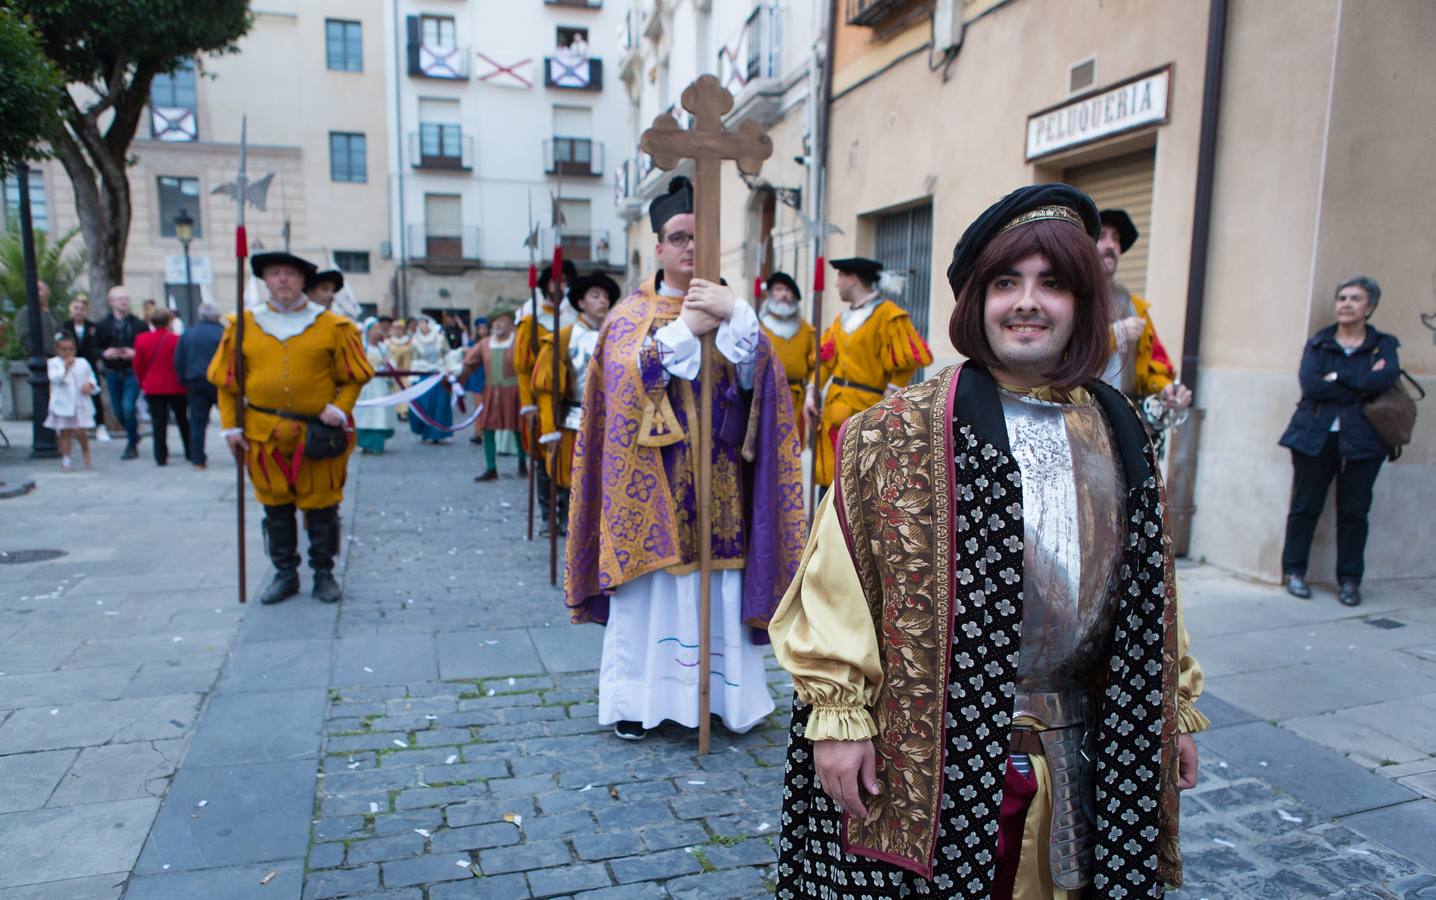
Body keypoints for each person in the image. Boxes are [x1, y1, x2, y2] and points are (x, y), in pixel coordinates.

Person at [771, 184, 1208, 899]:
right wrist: (839, 715)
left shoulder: (1121, 427)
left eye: (1053, 284)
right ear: (978, 300)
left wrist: (1172, 708)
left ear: (1083, 302)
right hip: (935, 754)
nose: (1027, 302)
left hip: (1084, 751)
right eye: (1007, 283)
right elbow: (834, 584)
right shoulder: (898, 430)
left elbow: (1153, 588)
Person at [564, 175, 806, 741]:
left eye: (700, 237)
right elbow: (621, 386)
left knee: (716, 592)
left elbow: (762, 388)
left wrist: (737, 318)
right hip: (651, 487)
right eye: (678, 237)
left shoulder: (735, 308)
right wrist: (683, 333)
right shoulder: (628, 314)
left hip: (722, 484)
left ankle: (723, 700)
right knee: (651, 596)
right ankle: (637, 701)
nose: (690, 248)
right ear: (658, 246)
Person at [208, 250, 373, 605]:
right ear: (264, 280)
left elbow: (355, 376)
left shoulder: (334, 326)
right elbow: (227, 383)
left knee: (322, 508)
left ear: (303, 281)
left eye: (290, 274)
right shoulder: (242, 326)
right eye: (275, 273)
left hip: (317, 434)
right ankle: (285, 574)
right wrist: (230, 428)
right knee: (276, 508)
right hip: (263, 434)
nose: (282, 279)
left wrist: (340, 409)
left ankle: (323, 573)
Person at [1278, 276, 1400, 607]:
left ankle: (1349, 581)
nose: (1345, 304)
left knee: (1354, 512)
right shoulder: (1319, 343)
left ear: (1370, 307)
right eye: (1341, 297)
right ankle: (1293, 571)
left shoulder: (1383, 346)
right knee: (1305, 507)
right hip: (1314, 437)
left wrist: (1338, 378)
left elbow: (1384, 379)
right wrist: (1360, 385)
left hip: (1363, 442)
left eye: (1355, 299)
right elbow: (1312, 385)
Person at [805, 256, 932, 489]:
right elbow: (824, 361)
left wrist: (892, 390)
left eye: (840, 277)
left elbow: (909, 358)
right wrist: (812, 391)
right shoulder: (839, 320)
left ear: (852, 279)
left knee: (860, 483)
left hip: (868, 412)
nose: (836, 283)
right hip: (835, 411)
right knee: (831, 483)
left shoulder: (888, 315)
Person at [531, 271, 619, 535]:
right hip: (573, 420)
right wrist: (548, 430)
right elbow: (546, 389)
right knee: (570, 480)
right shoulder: (564, 337)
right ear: (581, 302)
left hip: (610, 421)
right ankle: (565, 520)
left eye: (605, 297)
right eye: (595, 296)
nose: (602, 302)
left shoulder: (618, 335)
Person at [1096, 208, 1192, 411]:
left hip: (1124, 416)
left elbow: (1154, 365)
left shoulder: (1136, 308)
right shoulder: (1070, 300)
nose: (1111, 245)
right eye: (1102, 236)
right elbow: (1065, 353)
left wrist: (1167, 389)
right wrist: (1117, 333)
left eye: (1116, 239)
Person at [516, 262, 579, 525]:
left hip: (571, 399)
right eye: (555, 280)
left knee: (569, 460)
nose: (559, 285)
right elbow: (522, 367)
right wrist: (528, 406)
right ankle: (547, 516)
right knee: (545, 462)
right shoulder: (532, 321)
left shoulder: (576, 320)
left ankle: (567, 514)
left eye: (564, 280)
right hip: (542, 400)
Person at [461, 303, 525, 481]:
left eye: (503, 320)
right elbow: (469, 363)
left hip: (514, 391)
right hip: (491, 392)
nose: (498, 324)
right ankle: (491, 468)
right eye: (495, 321)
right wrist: (456, 377)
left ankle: (522, 463)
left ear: (511, 323)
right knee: (487, 428)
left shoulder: (519, 341)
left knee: (519, 428)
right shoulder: (485, 344)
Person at [758, 271, 816, 441]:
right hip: (767, 397)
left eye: (788, 290)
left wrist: (811, 392)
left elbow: (816, 365)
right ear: (770, 294)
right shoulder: (758, 328)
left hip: (796, 399)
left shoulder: (806, 330)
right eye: (778, 289)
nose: (784, 294)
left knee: (794, 448)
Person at [133, 308, 191, 466]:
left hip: (153, 386)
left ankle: (160, 456)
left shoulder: (141, 339)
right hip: (176, 386)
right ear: (169, 321)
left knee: (158, 423)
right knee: (182, 420)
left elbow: (138, 364)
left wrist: (142, 383)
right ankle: (190, 451)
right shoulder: (177, 340)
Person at [96, 285, 147, 459]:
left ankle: (131, 444)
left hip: (131, 371)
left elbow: (146, 347)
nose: (124, 302)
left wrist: (135, 353)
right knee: (118, 410)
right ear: (111, 302)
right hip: (112, 372)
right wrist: (104, 353)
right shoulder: (103, 325)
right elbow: (94, 347)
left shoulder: (139, 324)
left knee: (128, 407)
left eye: (126, 298)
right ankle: (133, 434)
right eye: (120, 299)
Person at [174, 301, 225, 469]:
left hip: (195, 381)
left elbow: (178, 360)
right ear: (216, 316)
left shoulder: (188, 334)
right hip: (219, 382)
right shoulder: (223, 333)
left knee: (197, 421)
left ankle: (198, 458)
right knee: (232, 419)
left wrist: (184, 380)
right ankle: (240, 453)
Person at [44, 334, 98, 471]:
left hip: (79, 402)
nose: (67, 353)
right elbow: (55, 379)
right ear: (57, 350)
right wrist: (65, 367)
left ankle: (85, 450)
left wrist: (90, 385)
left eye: (70, 349)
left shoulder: (82, 363)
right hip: (63, 403)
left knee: (80, 430)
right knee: (65, 432)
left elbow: (91, 377)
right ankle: (66, 457)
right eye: (63, 349)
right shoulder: (53, 363)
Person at [59, 294, 106, 438]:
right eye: (76, 308)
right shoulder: (65, 326)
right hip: (70, 364)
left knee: (94, 394)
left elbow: (97, 346)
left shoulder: (92, 327)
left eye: (82, 308)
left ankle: (100, 426)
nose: (79, 311)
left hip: (88, 365)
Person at [405, 315, 453, 443]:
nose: (422, 326)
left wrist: (450, 371)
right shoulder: (415, 340)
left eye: (423, 323)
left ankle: (437, 434)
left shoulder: (440, 339)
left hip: (438, 375)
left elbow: (447, 355)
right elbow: (414, 360)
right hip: (423, 375)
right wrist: (413, 378)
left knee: (439, 406)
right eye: (419, 324)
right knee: (422, 404)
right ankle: (423, 430)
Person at [354, 319, 396, 454]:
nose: (377, 331)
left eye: (379, 328)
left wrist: (388, 366)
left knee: (380, 414)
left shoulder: (384, 348)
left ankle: (377, 443)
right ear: (368, 331)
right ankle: (365, 442)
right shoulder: (361, 347)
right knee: (364, 414)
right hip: (366, 386)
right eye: (374, 329)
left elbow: (391, 364)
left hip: (380, 385)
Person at [14, 279, 58, 358]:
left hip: (56, 359)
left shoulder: (54, 312)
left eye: (39, 289)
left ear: (48, 291)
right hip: (36, 359)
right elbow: (23, 337)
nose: (36, 293)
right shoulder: (25, 312)